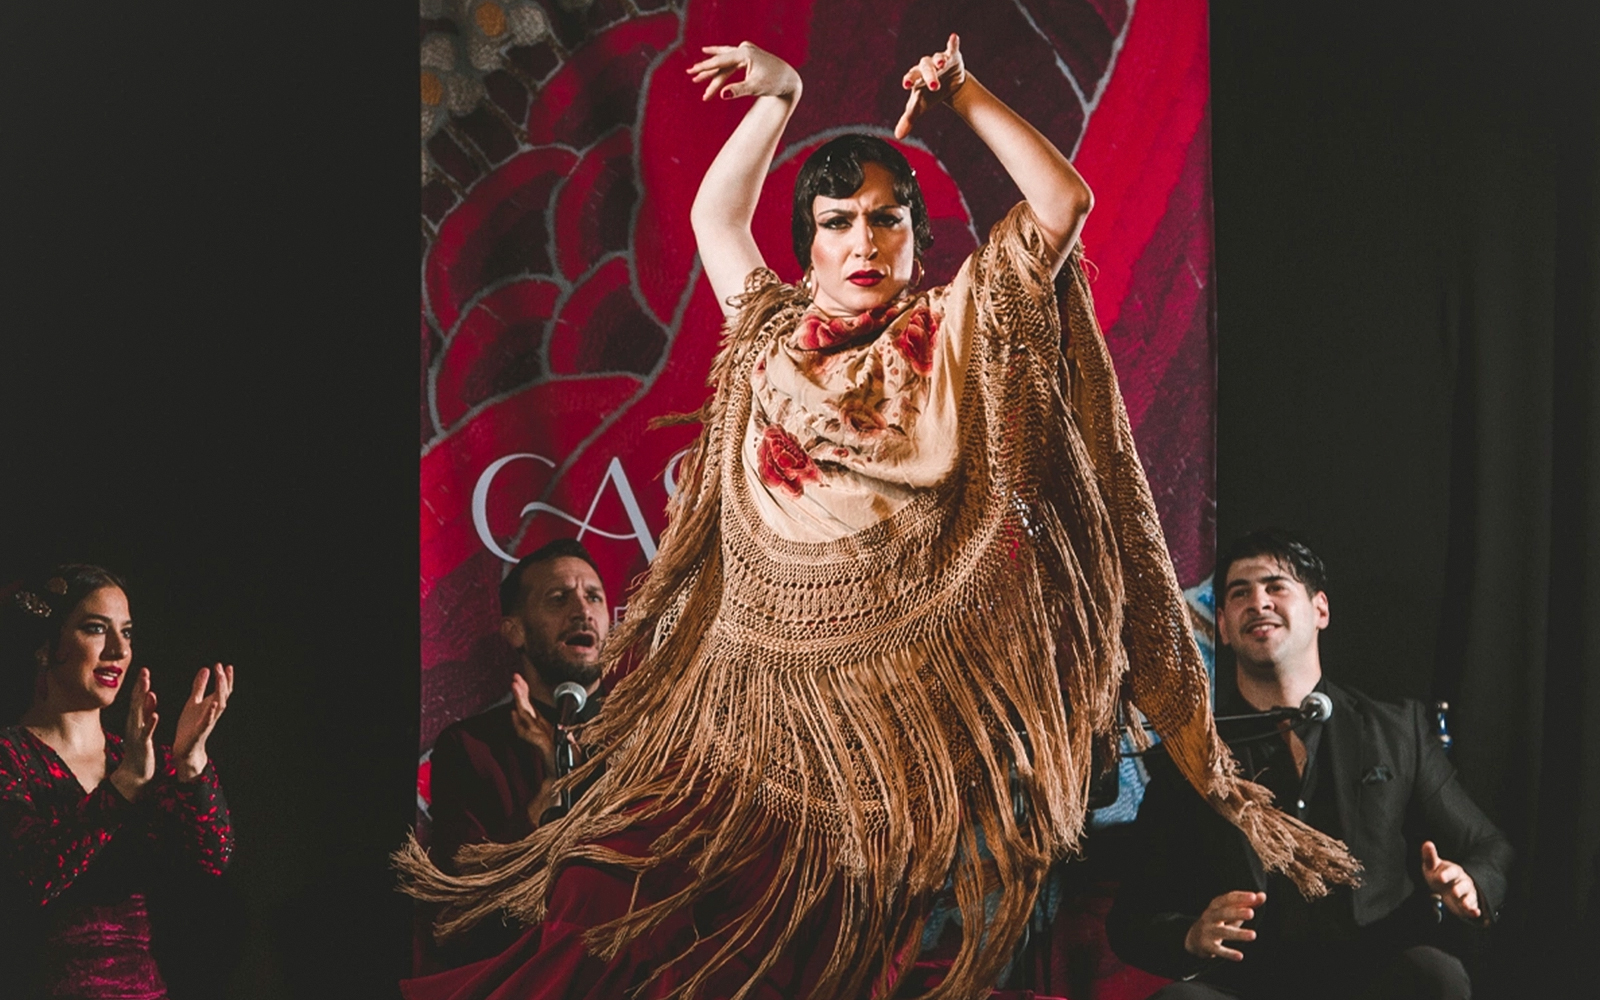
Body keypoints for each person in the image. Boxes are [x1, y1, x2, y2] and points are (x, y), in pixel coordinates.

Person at [398, 36, 1355, 1000]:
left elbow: (1063, 207)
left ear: (917, 237)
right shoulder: (770, 337)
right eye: (839, 222)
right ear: (808, 243)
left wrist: (966, 93)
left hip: (900, 732)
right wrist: (781, 97)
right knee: (604, 899)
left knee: (858, 965)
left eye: (887, 220)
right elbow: (711, 213)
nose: (864, 242)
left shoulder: (957, 330)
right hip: (765, 715)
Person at [1106, 530, 1514, 999]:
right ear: (1221, 624)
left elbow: (1487, 845)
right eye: (1239, 593)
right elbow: (1131, 919)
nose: (1258, 601)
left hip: (1374, 975)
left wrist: (1469, 883)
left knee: (1435, 977)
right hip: (1249, 985)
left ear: (1320, 609)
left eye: (1275, 586)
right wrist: (1191, 935)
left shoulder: (1398, 731)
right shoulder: (1193, 755)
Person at [0, 564, 234, 999]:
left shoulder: (142, 756)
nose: (117, 651)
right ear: (47, 647)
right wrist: (123, 786)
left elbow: (213, 859)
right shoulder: (10, 758)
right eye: (95, 629)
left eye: (126, 633)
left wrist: (191, 763)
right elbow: (33, 877)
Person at [421, 539, 609, 968]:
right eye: (558, 598)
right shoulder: (471, 747)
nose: (583, 611)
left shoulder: (654, 736)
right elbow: (458, 896)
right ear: (515, 630)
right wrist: (533, 818)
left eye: (593, 596)